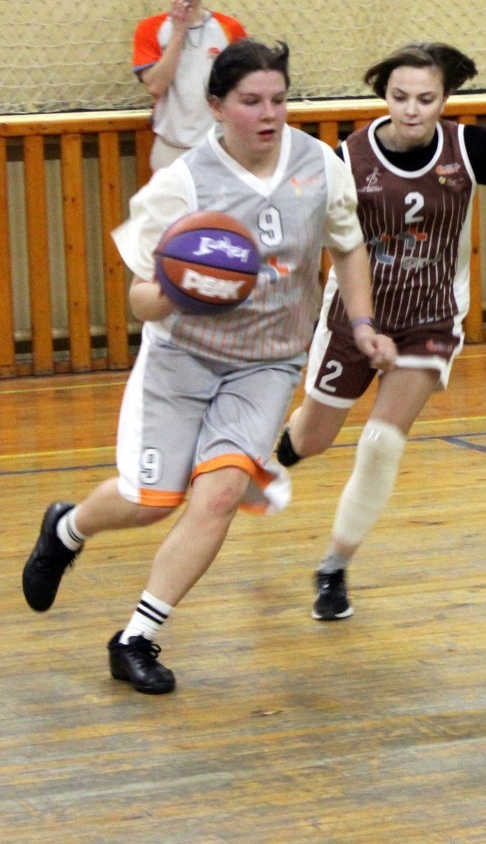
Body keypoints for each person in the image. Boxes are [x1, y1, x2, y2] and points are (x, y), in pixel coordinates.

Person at [22, 39, 396, 694]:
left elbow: (350, 247)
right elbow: (140, 297)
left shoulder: (319, 165)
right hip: (183, 358)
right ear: (217, 106)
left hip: (268, 364)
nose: (268, 113)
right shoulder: (183, 182)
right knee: (150, 502)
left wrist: (362, 323)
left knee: (220, 492)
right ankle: (68, 527)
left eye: (278, 99)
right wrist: (181, 286)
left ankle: (136, 638)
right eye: (251, 101)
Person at [275, 41, 486, 621]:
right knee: (314, 438)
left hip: (429, 318)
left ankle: (334, 568)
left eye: (425, 98)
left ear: (445, 99)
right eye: (400, 97)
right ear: (384, 97)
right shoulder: (347, 158)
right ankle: (277, 455)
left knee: (381, 443)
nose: (412, 109)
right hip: (353, 317)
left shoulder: (470, 148)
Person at [133, 0, 247, 171]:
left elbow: (244, 86)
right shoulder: (150, 28)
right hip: (171, 146)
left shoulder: (229, 28)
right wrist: (178, 31)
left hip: (218, 145)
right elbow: (156, 86)